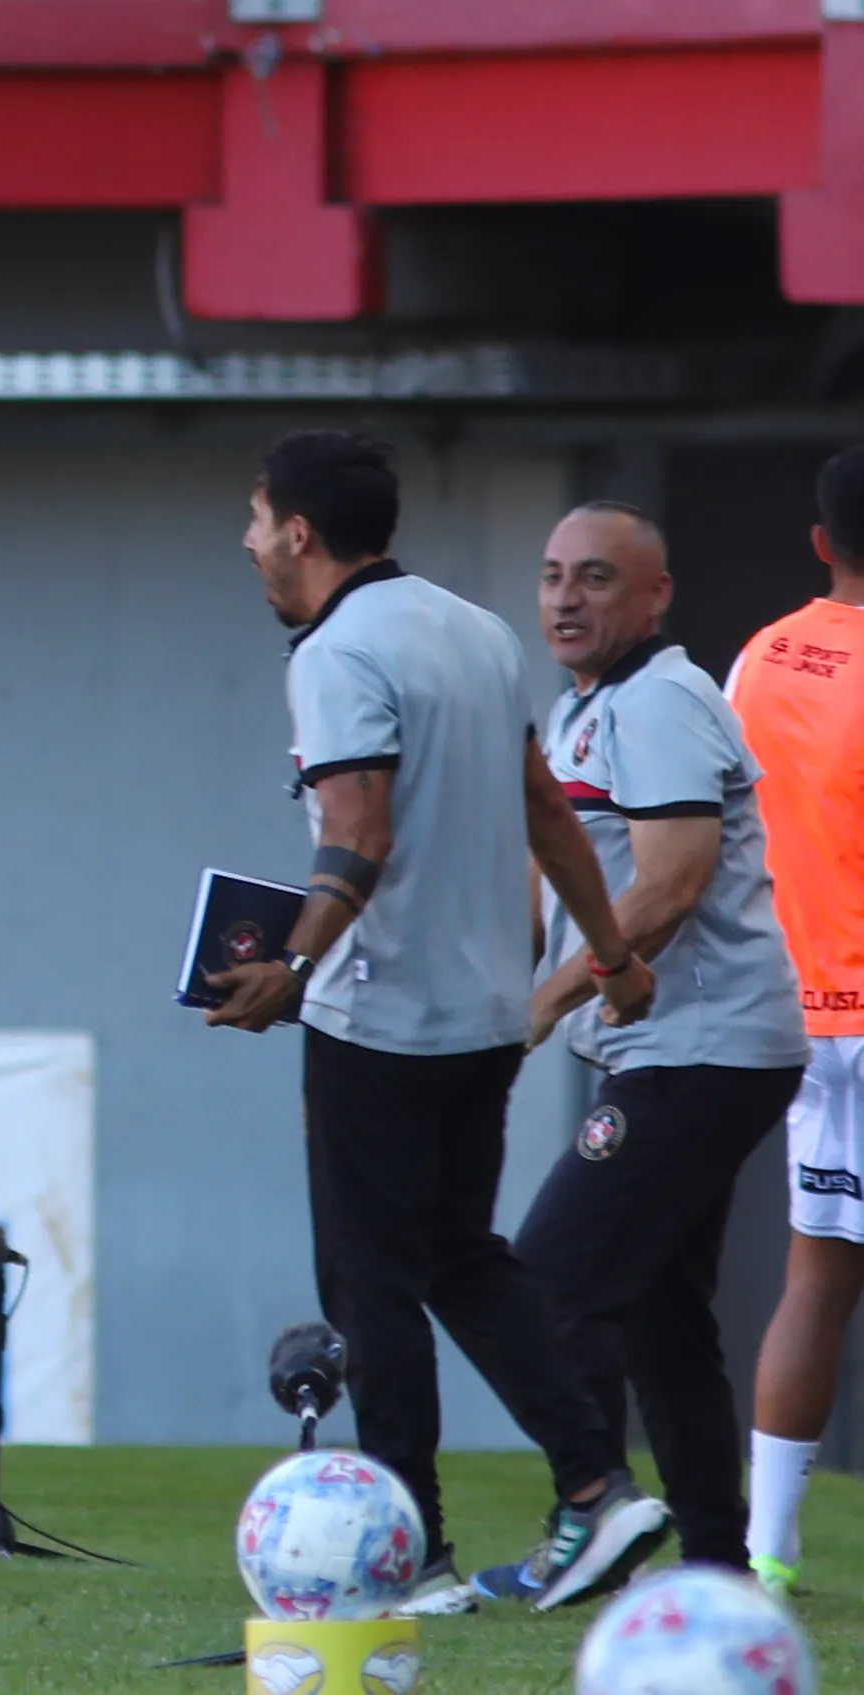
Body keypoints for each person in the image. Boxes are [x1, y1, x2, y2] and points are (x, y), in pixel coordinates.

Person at [204, 432, 670, 1615]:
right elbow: (542, 812)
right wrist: (606, 952)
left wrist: (294, 967)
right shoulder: (471, 628)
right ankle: (594, 1484)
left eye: (256, 521)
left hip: (379, 1009)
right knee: (461, 1257)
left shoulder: (335, 649)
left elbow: (355, 830)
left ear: (299, 533)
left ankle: (409, 1559)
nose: (248, 543)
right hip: (479, 1012)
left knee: (368, 1281)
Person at [448, 503, 806, 1601]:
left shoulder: (658, 702)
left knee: (549, 1284)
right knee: (656, 1317)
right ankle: (712, 1560)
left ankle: (588, 1520)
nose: (563, 598)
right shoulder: (580, 711)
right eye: (553, 575)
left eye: (595, 578)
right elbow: (556, 879)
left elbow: (669, 881)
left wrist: (544, 1004)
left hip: (702, 1048)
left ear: (654, 596)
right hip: (673, 1048)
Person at [733, 445, 864, 1598]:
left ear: (820, 541)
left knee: (814, 1279)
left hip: (798, 1011)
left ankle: (766, 1549)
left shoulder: (760, 656)